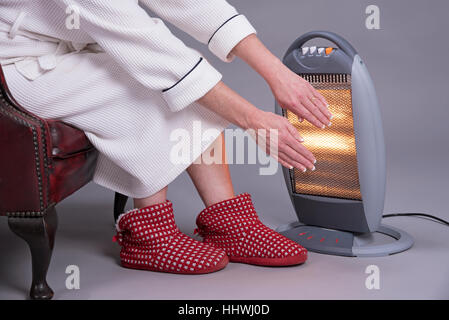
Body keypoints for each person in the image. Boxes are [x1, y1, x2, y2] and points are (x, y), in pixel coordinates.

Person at [0, 0, 332, 274]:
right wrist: (254, 120)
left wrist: (276, 72)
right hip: (15, 66)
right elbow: (149, 47)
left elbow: (191, 4)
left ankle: (226, 221)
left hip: (67, 50)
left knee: (188, 84)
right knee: (154, 89)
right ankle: (148, 235)